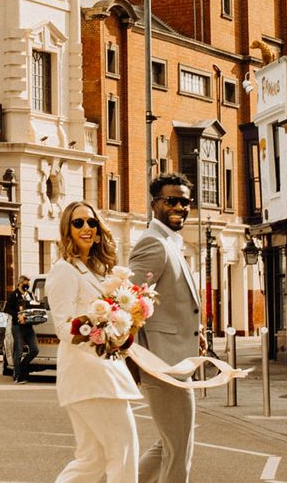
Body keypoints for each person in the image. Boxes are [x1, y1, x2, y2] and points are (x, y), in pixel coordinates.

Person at [46, 201, 141, 482]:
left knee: (91, 461)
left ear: (99, 230)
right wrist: (103, 337)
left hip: (99, 376)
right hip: (89, 376)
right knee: (124, 451)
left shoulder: (97, 272)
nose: (86, 228)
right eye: (78, 223)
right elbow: (64, 327)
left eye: (91, 222)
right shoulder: (64, 270)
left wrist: (121, 332)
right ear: (68, 230)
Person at [129, 173, 202, 483]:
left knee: (168, 446)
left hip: (174, 362)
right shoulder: (153, 243)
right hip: (162, 364)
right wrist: (135, 360)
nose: (179, 207)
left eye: (185, 201)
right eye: (171, 200)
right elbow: (128, 305)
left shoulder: (171, 242)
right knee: (178, 449)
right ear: (154, 204)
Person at [4, 275, 39, 384]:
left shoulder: (29, 295)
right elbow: (7, 308)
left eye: (28, 283)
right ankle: (18, 375)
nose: (27, 285)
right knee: (18, 350)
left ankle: (23, 367)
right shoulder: (13, 295)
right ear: (20, 283)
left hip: (28, 326)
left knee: (34, 349)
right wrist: (17, 315)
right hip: (18, 326)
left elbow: (34, 306)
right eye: (26, 283)